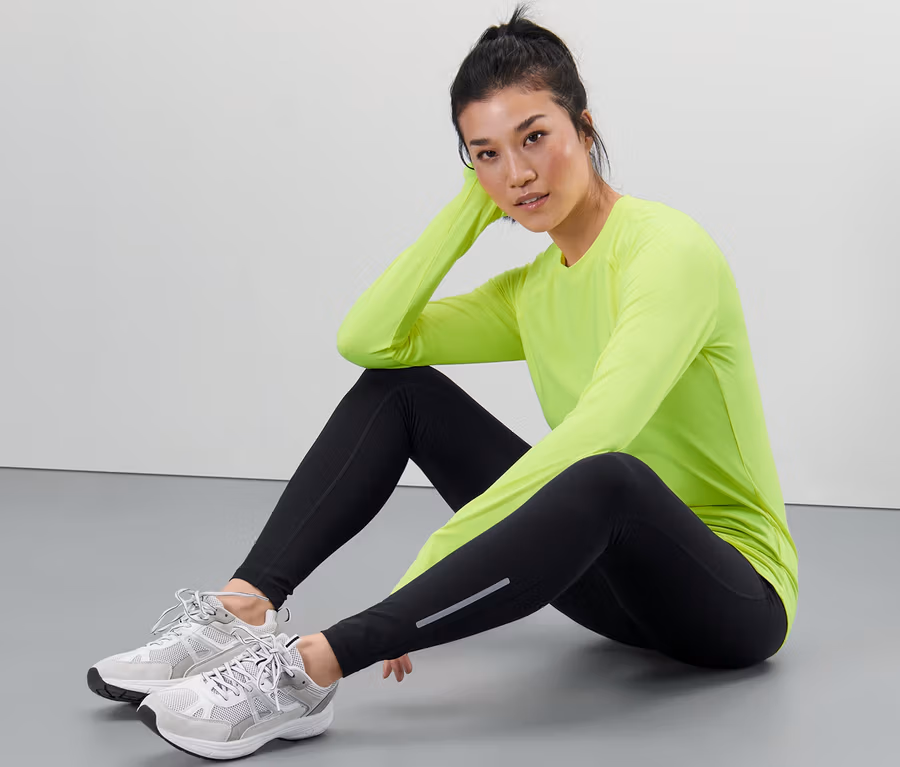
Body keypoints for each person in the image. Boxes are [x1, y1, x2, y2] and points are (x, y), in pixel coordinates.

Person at [87, 5, 799, 760]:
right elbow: (370, 339)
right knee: (402, 392)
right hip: (607, 589)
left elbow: (603, 430)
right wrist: (467, 212)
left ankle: (308, 672)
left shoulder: (667, 251)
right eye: (486, 154)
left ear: (585, 129)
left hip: (730, 602)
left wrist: (441, 554)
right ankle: (242, 609)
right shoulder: (533, 289)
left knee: (607, 473)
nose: (517, 174)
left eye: (534, 137)